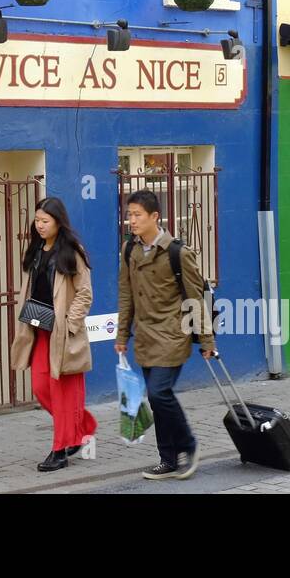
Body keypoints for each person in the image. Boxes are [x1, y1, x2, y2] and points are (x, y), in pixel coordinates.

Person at [115, 190, 216, 480]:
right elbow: (126, 295)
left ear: (155, 217)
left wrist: (207, 339)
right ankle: (168, 460)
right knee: (157, 398)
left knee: (159, 392)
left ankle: (189, 445)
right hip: (145, 336)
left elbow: (196, 299)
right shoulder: (129, 251)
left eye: (137, 215)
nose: (131, 220)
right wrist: (122, 335)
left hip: (173, 334)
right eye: (129, 214)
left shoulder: (177, 252)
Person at [10, 196, 96, 472]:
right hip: (38, 328)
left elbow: (84, 293)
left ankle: (60, 450)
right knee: (40, 387)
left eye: (45, 221)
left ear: (59, 222)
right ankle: (81, 427)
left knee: (62, 393)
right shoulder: (36, 251)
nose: (40, 226)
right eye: (37, 221)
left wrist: (71, 324)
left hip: (62, 333)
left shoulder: (72, 251)